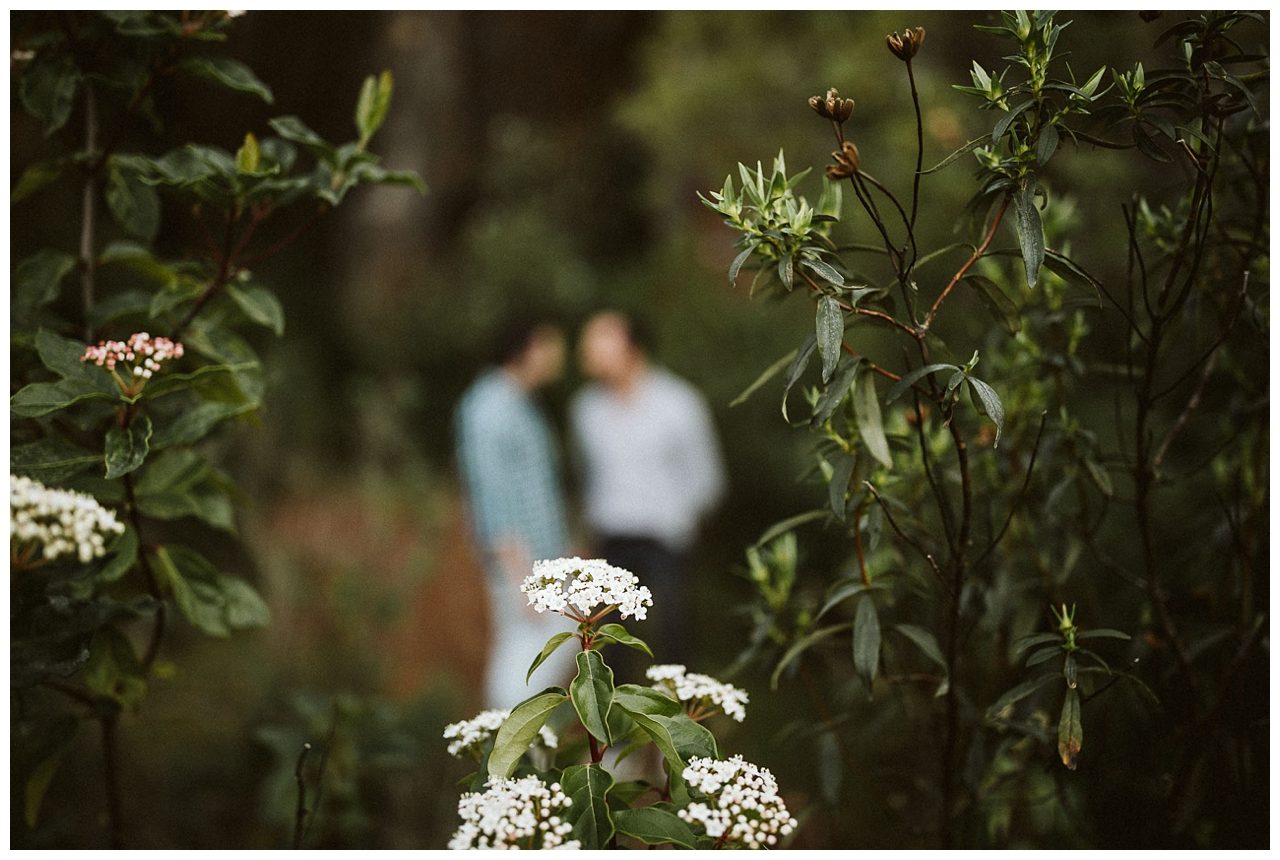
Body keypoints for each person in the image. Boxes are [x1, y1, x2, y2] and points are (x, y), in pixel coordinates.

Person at [569, 311, 726, 668]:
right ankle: (615, 719)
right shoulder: (585, 410)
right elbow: (587, 474)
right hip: (610, 539)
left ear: (631, 347)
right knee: (610, 641)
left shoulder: (680, 403)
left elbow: (706, 474)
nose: (587, 349)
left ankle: (677, 715)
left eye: (599, 340)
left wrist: (685, 520)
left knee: (674, 635)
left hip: (665, 539)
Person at [455, 319, 575, 708]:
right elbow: (491, 493)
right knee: (525, 656)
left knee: (553, 645)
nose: (560, 354)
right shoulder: (490, 406)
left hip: (544, 555)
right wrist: (520, 573)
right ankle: (503, 744)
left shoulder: (520, 403)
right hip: (522, 560)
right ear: (529, 348)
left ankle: (524, 752)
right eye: (551, 344)